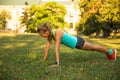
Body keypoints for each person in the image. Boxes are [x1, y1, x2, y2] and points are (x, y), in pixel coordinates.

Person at [37, 22, 117, 66]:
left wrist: (57, 64)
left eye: (42, 34)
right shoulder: (51, 35)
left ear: (46, 31)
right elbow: (47, 49)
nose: (42, 36)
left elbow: (57, 49)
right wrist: (43, 61)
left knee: (94, 47)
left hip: (78, 42)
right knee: (93, 48)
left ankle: (111, 52)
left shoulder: (57, 32)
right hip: (76, 44)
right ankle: (109, 52)